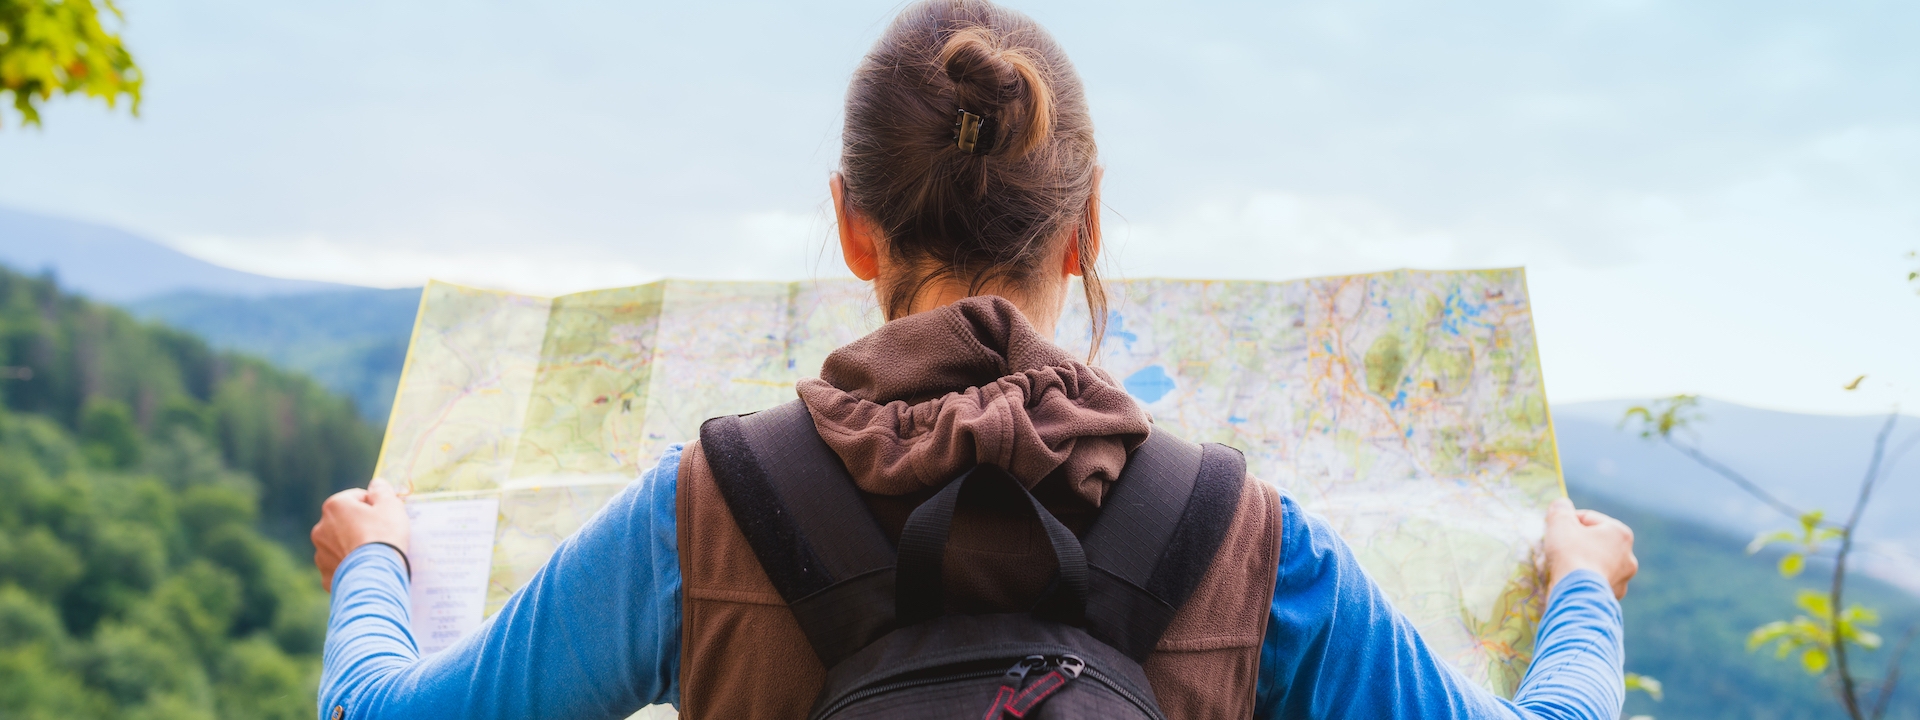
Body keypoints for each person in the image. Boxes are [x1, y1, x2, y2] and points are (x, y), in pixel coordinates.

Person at [311, 1, 1639, 718]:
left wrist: (373, 564)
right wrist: (1582, 589)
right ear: (1090, 228)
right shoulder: (1245, 539)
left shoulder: (708, 511)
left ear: (849, 223)